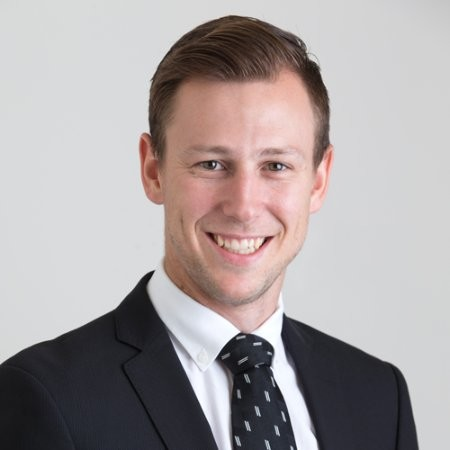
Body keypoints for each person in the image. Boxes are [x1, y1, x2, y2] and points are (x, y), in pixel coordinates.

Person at [0, 15, 418, 450]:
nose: (243, 207)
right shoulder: (49, 397)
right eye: (211, 164)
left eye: (276, 166)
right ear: (153, 170)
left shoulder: (379, 397)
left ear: (318, 179)